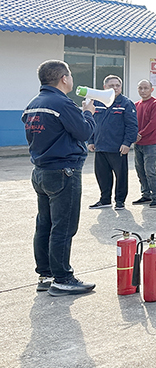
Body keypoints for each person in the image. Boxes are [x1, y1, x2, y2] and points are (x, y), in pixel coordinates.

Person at [24, 60, 97, 296]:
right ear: (64, 78)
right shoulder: (62, 103)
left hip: (41, 171)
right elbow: (84, 132)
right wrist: (88, 113)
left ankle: (45, 275)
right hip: (64, 171)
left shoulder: (34, 104)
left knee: (44, 224)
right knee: (63, 226)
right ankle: (63, 278)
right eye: (70, 75)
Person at [87, 75, 138, 210]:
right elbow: (92, 122)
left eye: (117, 85)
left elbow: (132, 126)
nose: (115, 88)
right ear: (104, 87)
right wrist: (91, 140)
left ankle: (120, 201)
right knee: (102, 175)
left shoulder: (126, 103)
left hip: (118, 147)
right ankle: (105, 200)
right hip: (100, 146)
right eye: (111, 86)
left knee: (121, 176)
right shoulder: (97, 103)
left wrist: (127, 143)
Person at [132, 79, 156, 208]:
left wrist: (141, 134)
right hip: (137, 143)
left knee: (149, 170)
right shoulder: (136, 104)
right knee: (139, 170)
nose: (143, 91)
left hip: (150, 143)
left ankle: (155, 196)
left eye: (145, 88)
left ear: (151, 89)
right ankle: (146, 194)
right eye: (140, 88)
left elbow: (155, 123)